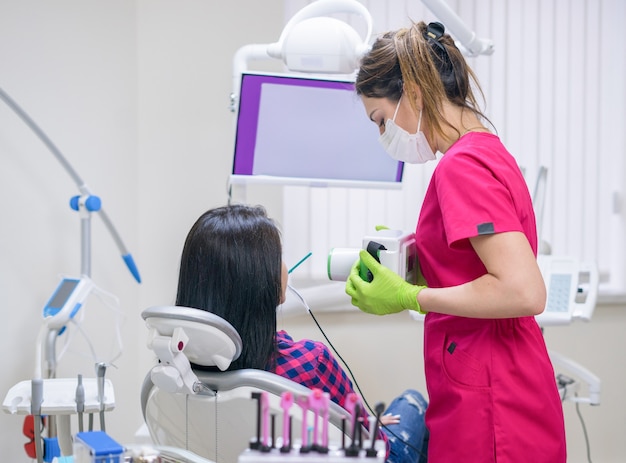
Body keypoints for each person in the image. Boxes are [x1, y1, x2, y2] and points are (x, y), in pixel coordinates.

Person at [345, 20, 566, 462]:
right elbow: (477, 264)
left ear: (413, 91)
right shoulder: (486, 150)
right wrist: (414, 259)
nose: (383, 134)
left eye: (381, 119)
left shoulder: (461, 167)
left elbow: (522, 289)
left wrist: (410, 295)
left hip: (493, 402)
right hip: (497, 380)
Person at [175, 204, 429, 463]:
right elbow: (374, 445)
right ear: (262, 279)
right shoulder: (310, 362)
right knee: (413, 402)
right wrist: (364, 422)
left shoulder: (176, 369)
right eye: (279, 258)